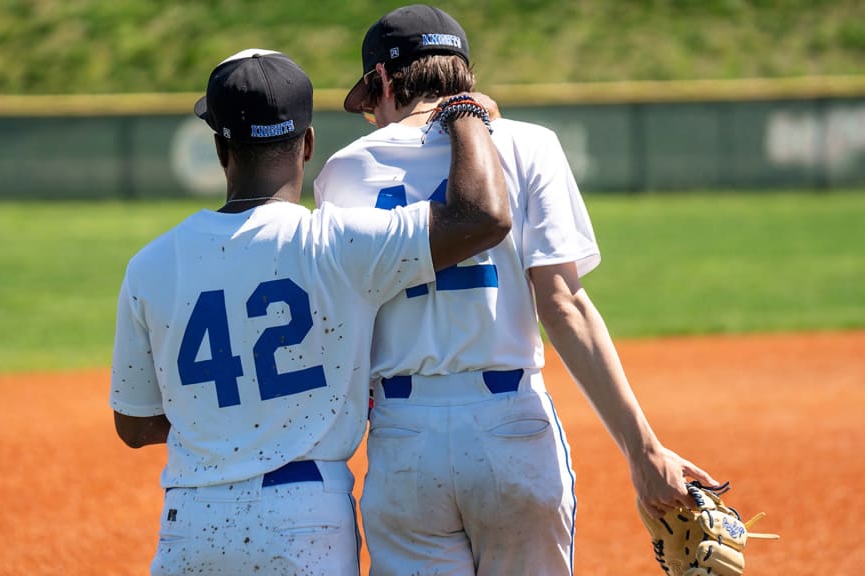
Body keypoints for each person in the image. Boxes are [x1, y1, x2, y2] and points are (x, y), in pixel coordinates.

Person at [314, 5, 719, 576]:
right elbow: (563, 304)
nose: (372, 118)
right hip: (512, 427)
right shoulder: (530, 145)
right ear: (464, 74)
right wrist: (643, 450)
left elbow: (342, 326)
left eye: (369, 100)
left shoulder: (342, 171)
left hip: (406, 438)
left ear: (383, 80)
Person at [109, 47, 510, 576]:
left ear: (217, 148)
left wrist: (226, 418)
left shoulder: (150, 265)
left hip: (190, 520)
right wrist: (464, 112)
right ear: (308, 144)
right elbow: (481, 216)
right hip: (303, 518)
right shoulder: (338, 243)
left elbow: (134, 425)